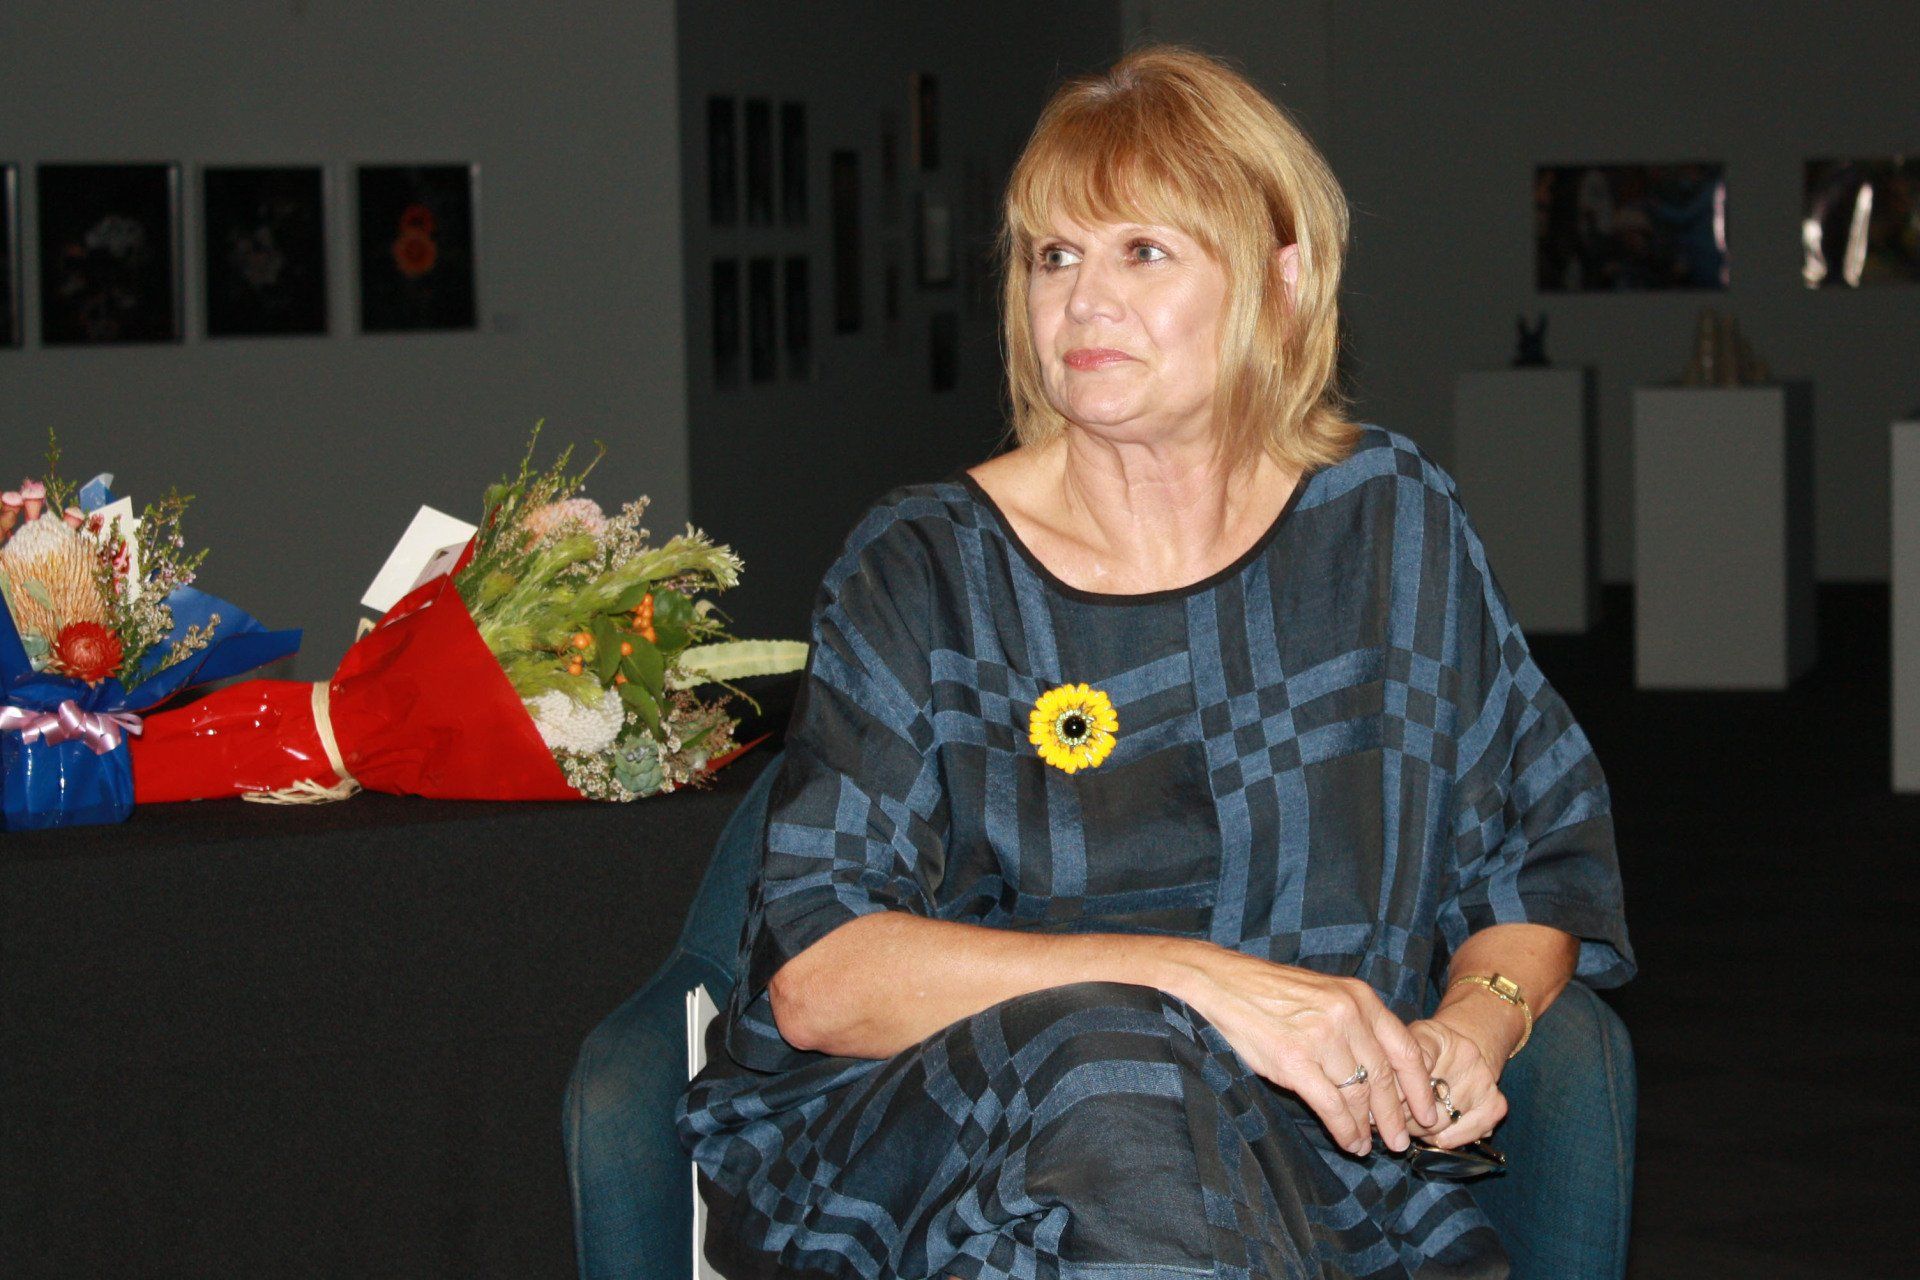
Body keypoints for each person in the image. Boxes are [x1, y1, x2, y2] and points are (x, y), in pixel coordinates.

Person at [676, 43, 1635, 1280]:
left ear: (1281, 280)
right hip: (951, 1155)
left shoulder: (1390, 527)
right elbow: (819, 974)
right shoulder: (926, 565)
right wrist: (1196, 986)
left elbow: (1539, 862)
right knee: (1111, 1068)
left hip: (1311, 1162)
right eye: (1053, 256)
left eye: (1145, 251)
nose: (1084, 303)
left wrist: (1475, 1027)